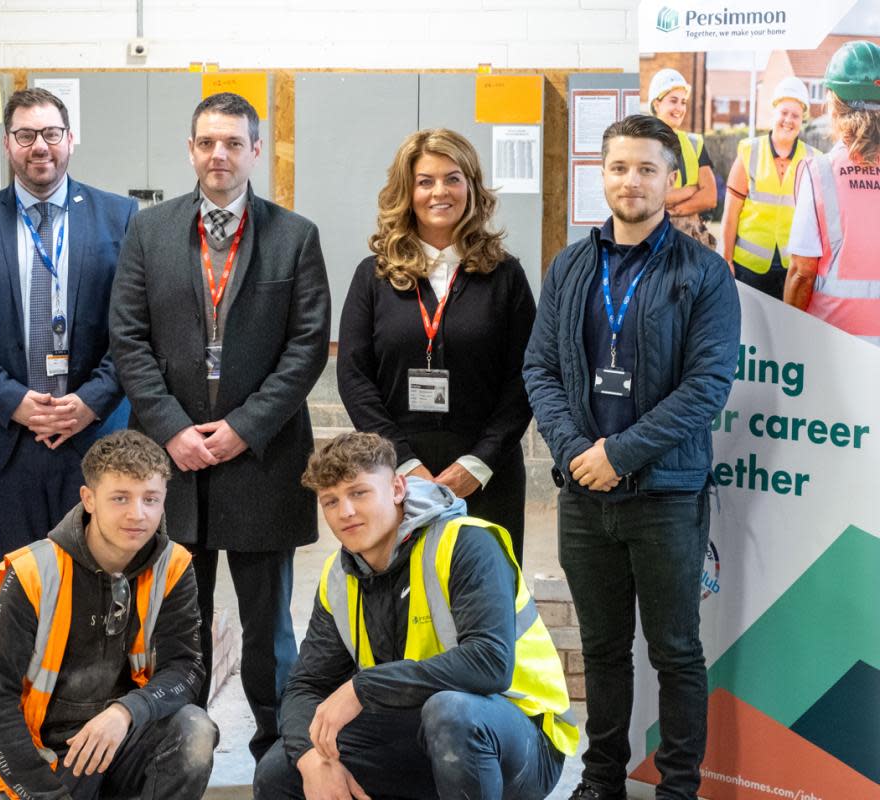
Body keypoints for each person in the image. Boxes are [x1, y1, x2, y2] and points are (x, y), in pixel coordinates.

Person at [522, 114, 739, 800]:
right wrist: (576, 450)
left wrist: (621, 452)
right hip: (585, 496)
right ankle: (602, 779)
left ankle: (678, 788)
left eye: (647, 168)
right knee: (604, 650)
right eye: (619, 167)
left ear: (671, 180)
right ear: (602, 174)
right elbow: (540, 370)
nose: (632, 181)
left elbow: (707, 386)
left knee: (675, 652)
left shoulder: (703, 273)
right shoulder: (570, 266)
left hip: (667, 496)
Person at [109, 92, 331, 761]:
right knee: (181, 624)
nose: (219, 155)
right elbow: (128, 338)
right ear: (191, 149)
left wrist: (242, 427)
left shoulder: (294, 236)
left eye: (233, 143)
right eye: (207, 142)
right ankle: (184, 745)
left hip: (261, 460)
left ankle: (278, 749)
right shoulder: (149, 233)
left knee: (268, 630)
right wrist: (173, 429)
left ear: (255, 151)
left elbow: (307, 346)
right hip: (172, 466)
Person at [254, 432, 576, 800]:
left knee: (451, 713)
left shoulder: (466, 543)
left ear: (396, 488)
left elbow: (490, 663)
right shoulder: (339, 577)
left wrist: (364, 687)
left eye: (359, 493)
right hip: (424, 733)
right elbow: (305, 686)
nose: (345, 512)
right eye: (330, 501)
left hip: (520, 739)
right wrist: (312, 761)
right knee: (280, 770)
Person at [0, 87, 136, 575]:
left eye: (50, 133)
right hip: (5, 440)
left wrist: (90, 401)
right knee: (16, 587)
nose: (39, 146)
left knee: (100, 584)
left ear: (71, 139)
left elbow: (134, 325)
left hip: (95, 434)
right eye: (26, 135)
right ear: (7, 143)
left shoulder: (120, 217)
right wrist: (15, 402)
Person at [0, 429, 216, 800]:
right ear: (88, 499)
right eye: (120, 498)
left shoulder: (174, 566)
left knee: (195, 730)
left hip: (124, 737)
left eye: (151, 499)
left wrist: (126, 712)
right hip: (51, 758)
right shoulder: (32, 572)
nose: (138, 514)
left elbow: (186, 668)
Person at [337, 128, 536, 564]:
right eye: (425, 181)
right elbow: (354, 377)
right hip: (392, 477)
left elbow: (525, 379)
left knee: (485, 605)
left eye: (452, 178)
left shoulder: (505, 276)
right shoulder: (373, 276)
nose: (438, 192)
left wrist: (478, 464)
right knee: (402, 611)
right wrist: (404, 466)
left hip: (488, 474)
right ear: (406, 192)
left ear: (471, 187)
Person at [785, 40, 880, 346]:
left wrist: (787, 342)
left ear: (835, 103)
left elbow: (802, 273)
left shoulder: (820, 172)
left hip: (831, 347)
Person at [721, 77, 819, 300]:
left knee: (783, 331)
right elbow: (730, 213)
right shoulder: (749, 151)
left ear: (802, 119)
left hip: (792, 268)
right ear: (774, 112)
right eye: (784, 113)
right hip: (748, 267)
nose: (788, 120)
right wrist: (726, 259)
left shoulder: (813, 159)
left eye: (795, 115)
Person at [647, 68, 718, 249]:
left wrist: (673, 209)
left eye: (683, 102)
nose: (680, 108)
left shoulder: (695, 143)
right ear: (657, 104)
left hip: (691, 239)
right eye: (673, 101)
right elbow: (650, 199)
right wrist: (691, 190)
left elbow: (710, 197)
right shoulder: (643, 145)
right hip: (655, 238)